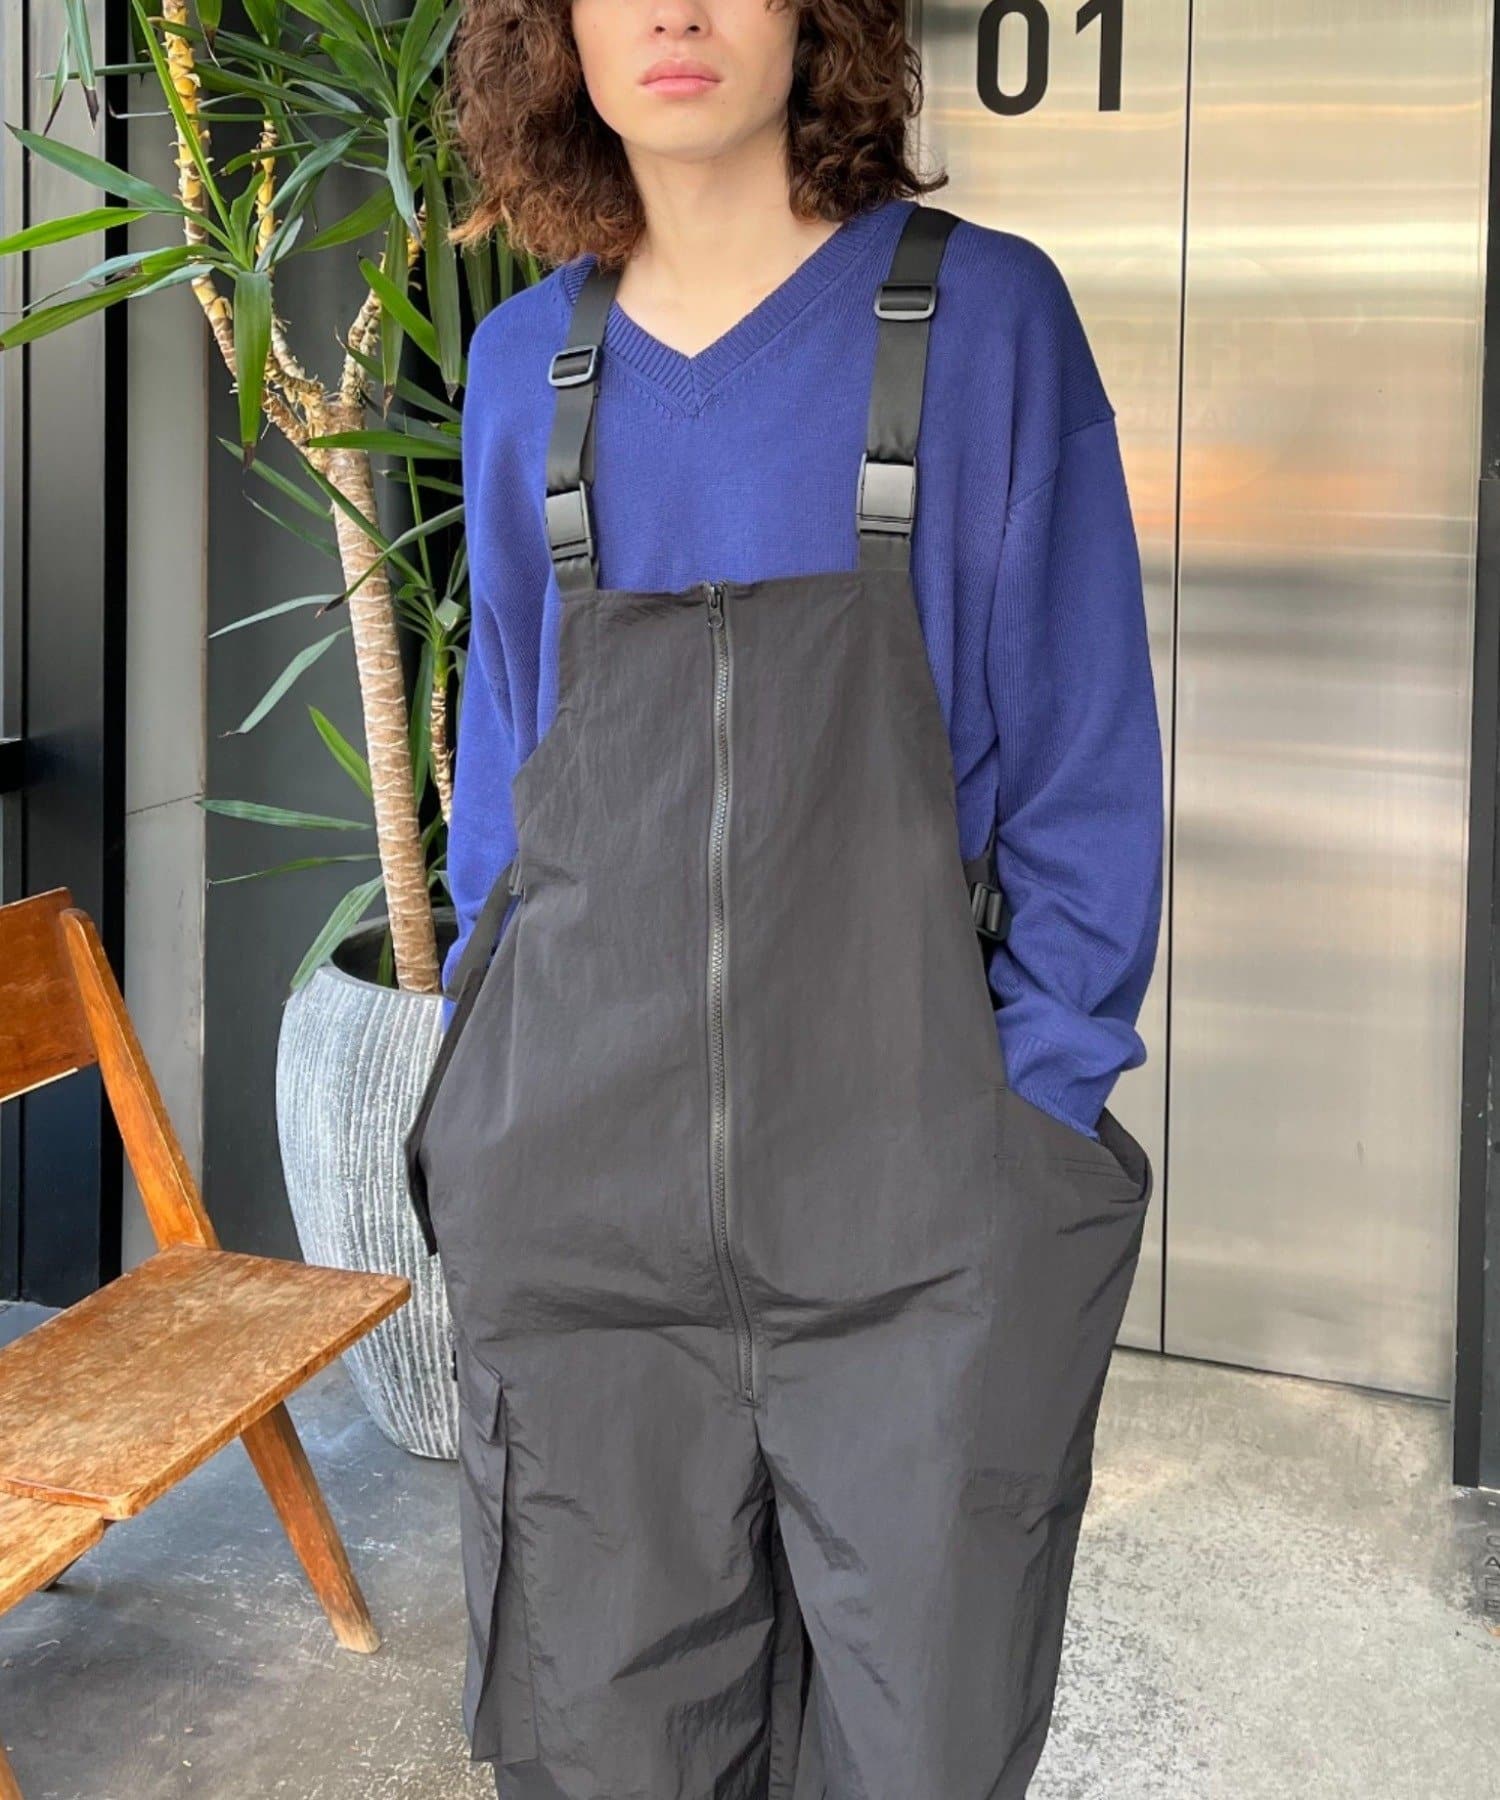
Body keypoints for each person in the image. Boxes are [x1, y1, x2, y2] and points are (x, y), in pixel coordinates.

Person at [405, 2, 1164, 1795]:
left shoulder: (985, 323)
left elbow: (1083, 762)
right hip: (581, 1236)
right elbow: (503, 772)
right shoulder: (523, 365)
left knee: (922, 1746)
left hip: (922, 1220)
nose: (673, 12)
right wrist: (489, 1095)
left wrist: (1031, 1116)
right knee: (605, 1746)